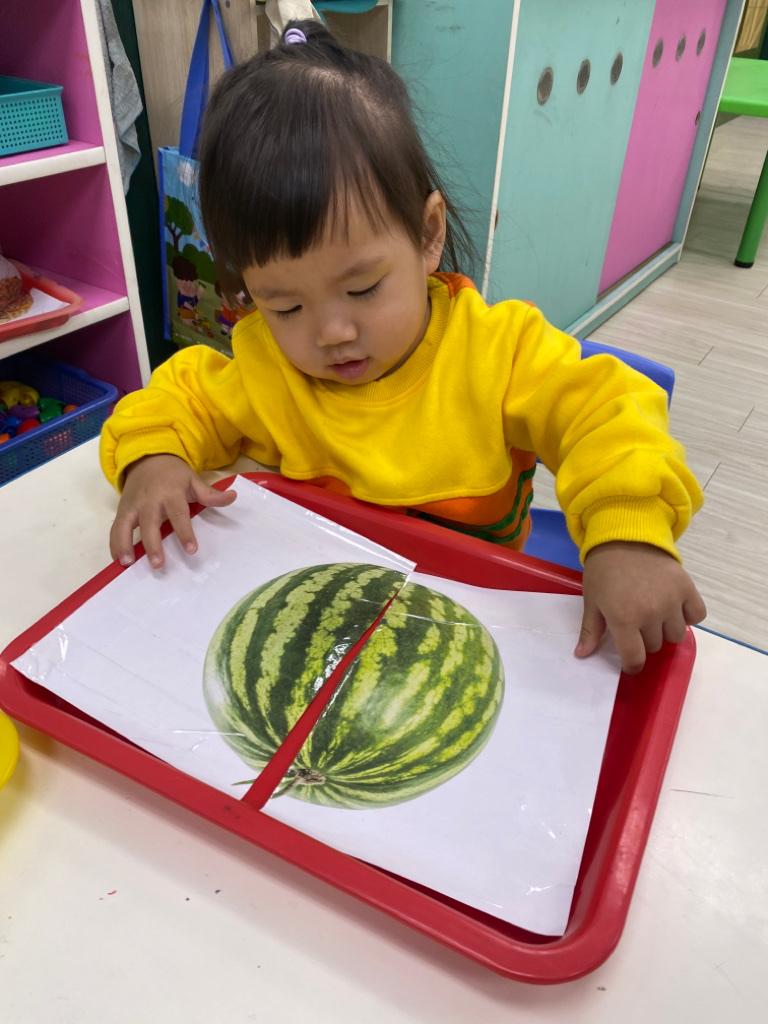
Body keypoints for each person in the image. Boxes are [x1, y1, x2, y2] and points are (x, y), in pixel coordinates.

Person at [101, 20, 706, 675]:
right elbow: (179, 395)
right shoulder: (267, 368)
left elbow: (607, 410)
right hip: (333, 622)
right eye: (285, 306)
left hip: (477, 622)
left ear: (427, 234)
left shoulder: (497, 352)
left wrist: (627, 530)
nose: (331, 332)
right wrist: (153, 460)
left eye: (362, 288)